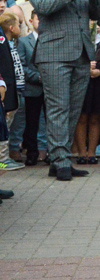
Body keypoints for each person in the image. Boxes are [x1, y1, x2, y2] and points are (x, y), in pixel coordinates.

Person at [24, 0, 100, 181]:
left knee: (73, 109)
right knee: (58, 108)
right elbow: (44, 7)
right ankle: (59, 161)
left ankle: (62, 158)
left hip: (80, 54)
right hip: (53, 55)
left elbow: (98, 14)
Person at [15, 10, 43, 166]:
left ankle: (49, 152)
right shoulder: (24, 42)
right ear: (31, 21)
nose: (41, 22)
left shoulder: (52, 41)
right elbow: (21, 66)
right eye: (38, 19)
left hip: (51, 88)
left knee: (51, 121)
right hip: (33, 88)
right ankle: (31, 152)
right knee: (31, 122)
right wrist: (37, 77)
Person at [0, 12, 25, 171]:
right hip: (6, 91)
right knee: (4, 126)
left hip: (13, 88)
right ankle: (2, 158)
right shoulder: (3, 42)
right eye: (19, 25)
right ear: (11, 27)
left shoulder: (10, 43)